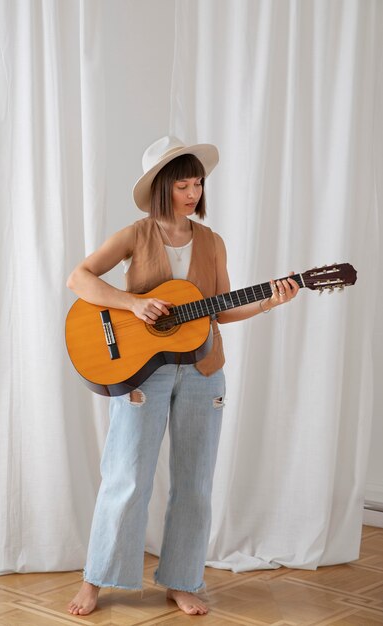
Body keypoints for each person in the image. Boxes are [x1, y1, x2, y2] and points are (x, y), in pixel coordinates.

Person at [66, 136, 299, 616]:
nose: (192, 193)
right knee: (126, 476)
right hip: (139, 372)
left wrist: (270, 300)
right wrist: (133, 302)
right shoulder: (135, 234)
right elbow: (80, 278)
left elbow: (223, 310)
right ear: (160, 188)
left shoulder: (213, 242)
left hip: (203, 371)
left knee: (195, 480)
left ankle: (182, 579)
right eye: (183, 185)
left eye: (198, 184)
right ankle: (97, 578)